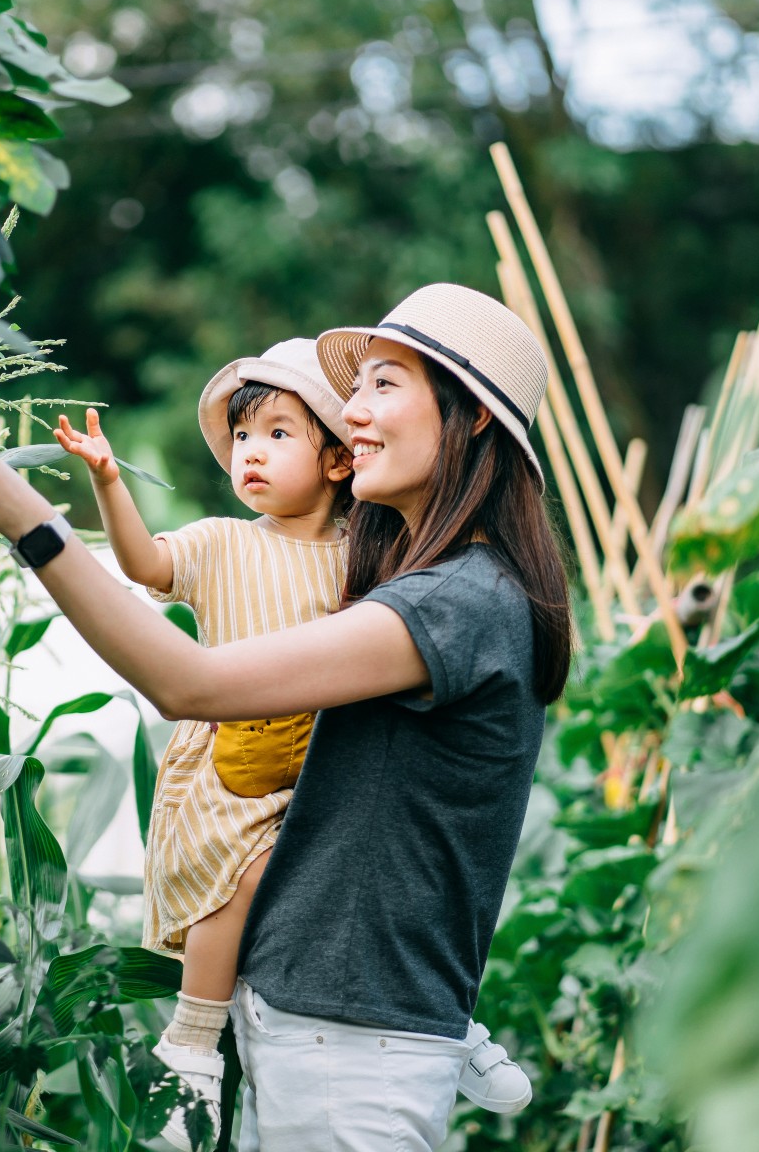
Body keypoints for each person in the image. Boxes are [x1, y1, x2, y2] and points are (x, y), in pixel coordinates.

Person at [0, 284, 571, 1151]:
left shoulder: (456, 602)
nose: (355, 413)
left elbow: (190, 682)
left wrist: (32, 523)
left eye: (384, 385)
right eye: (356, 389)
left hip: (353, 1051)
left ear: (474, 417)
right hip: (323, 1026)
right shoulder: (428, 584)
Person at [52, 342, 533, 1148]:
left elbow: (189, 682)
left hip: (353, 1024)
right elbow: (148, 578)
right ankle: (196, 1037)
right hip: (243, 775)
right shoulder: (230, 544)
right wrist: (105, 483)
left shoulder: (404, 578)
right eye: (244, 437)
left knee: (305, 860)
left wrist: (33, 533)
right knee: (242, 877)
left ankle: (434, 1023)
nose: (252, 453)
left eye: (279, 433)